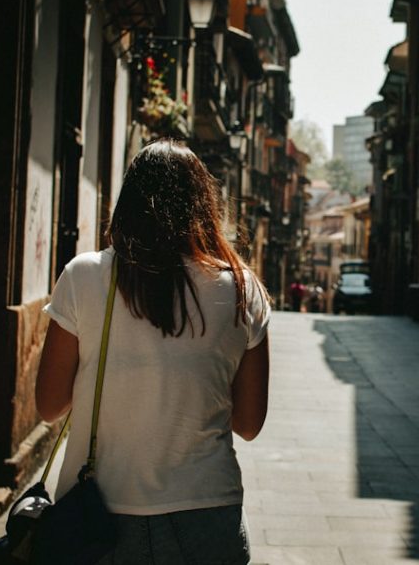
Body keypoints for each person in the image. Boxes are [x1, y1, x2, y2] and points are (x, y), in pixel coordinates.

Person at [36, 138, 270, 564]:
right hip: (206, 515)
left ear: (128, 201)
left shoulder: (85, 276)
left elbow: (50, 404)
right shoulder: (240, 288)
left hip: (98, 519)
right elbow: (249, 423)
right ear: (205, 205)